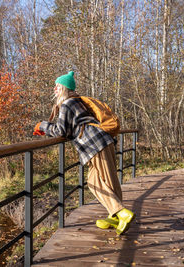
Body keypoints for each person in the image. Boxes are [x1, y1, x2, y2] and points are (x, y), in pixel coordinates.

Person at [33, 71, 135, 235]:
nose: (54, 90)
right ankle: (117, 215)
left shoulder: (67, 104)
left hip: (95, 144)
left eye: (57, 87)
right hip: (98, 142)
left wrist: (43, 126)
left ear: (65, 88)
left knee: (103, 180)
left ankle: (120, 213)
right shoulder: (76, 102)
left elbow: (61, 131)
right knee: (97, 180)